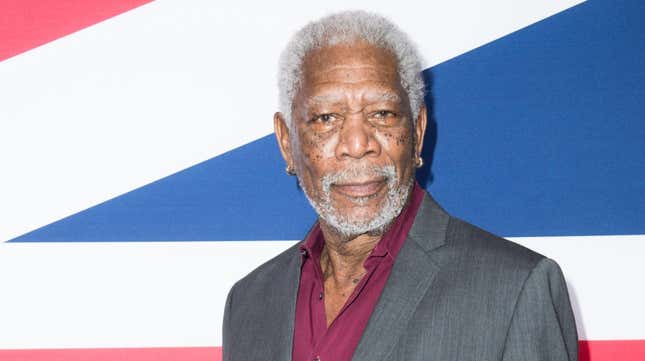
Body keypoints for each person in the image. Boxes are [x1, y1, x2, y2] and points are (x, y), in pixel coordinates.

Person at [223, 10, 578, 361]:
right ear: (287, 144)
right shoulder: (250, 301)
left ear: (418, 132)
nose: (358, 144)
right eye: (326, 118)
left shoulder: (514, 289)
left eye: (382, 114)